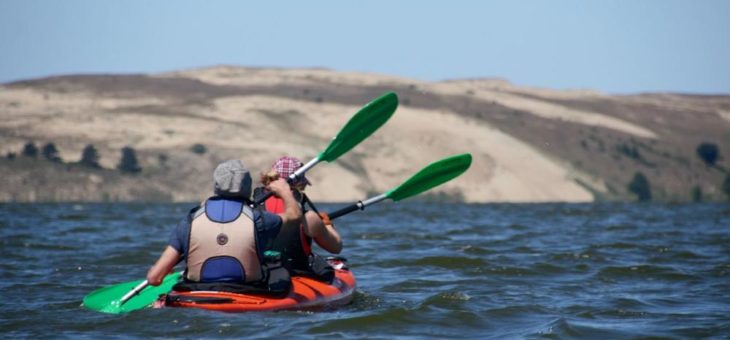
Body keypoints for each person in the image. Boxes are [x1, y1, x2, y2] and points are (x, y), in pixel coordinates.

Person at [146, 159, 301, 293]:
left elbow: (154, 278)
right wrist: (285, 192)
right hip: (247, 290)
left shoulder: (190, 220)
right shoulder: (259, 219)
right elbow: (294, 216)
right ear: (247, 187)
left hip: (195, 292)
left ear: (216, 185)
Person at [253, 156, 342, 281]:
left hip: (259, 275)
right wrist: (326, 224)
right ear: (298, 184)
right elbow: (336, 247)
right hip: (295, 274)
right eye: (303, 183)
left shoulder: (250, 212)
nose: (306, 185)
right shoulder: (309, 218)